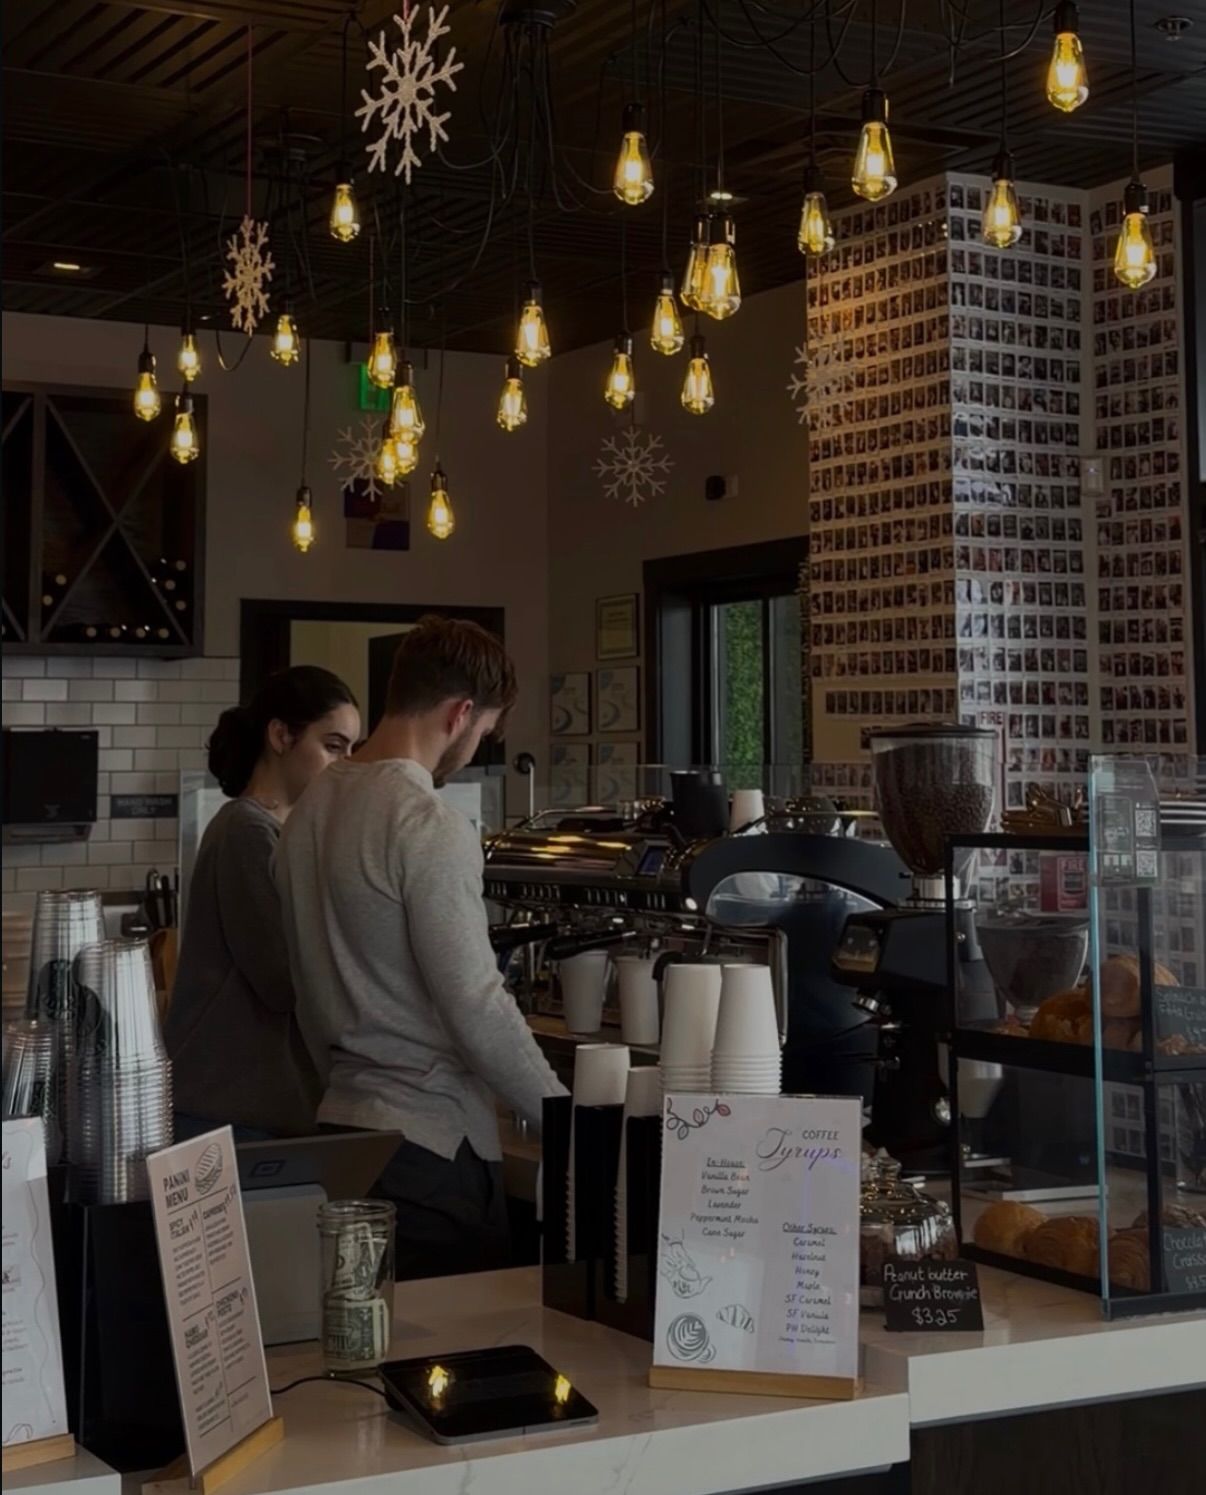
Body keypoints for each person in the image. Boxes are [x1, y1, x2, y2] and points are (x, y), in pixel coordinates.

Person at [275, 616, 566, 1278]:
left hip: (341, 1143)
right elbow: (475, 1003)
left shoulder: (309, 810)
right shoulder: (428, 821)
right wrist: (567, 1117)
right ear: (461, 713)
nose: (478, 744)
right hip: (431, 1154)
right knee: (454, 1366)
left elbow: (305, 994)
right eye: (485, 731)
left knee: (363, 1365)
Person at [167, 666, 361, 1142]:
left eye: (352, 749)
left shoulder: (282, 834)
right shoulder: (246, 831)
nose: (345, 763)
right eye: (333, 746)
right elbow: (283, 979)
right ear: (280, 734)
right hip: (227, 1108)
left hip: (256, 1106)